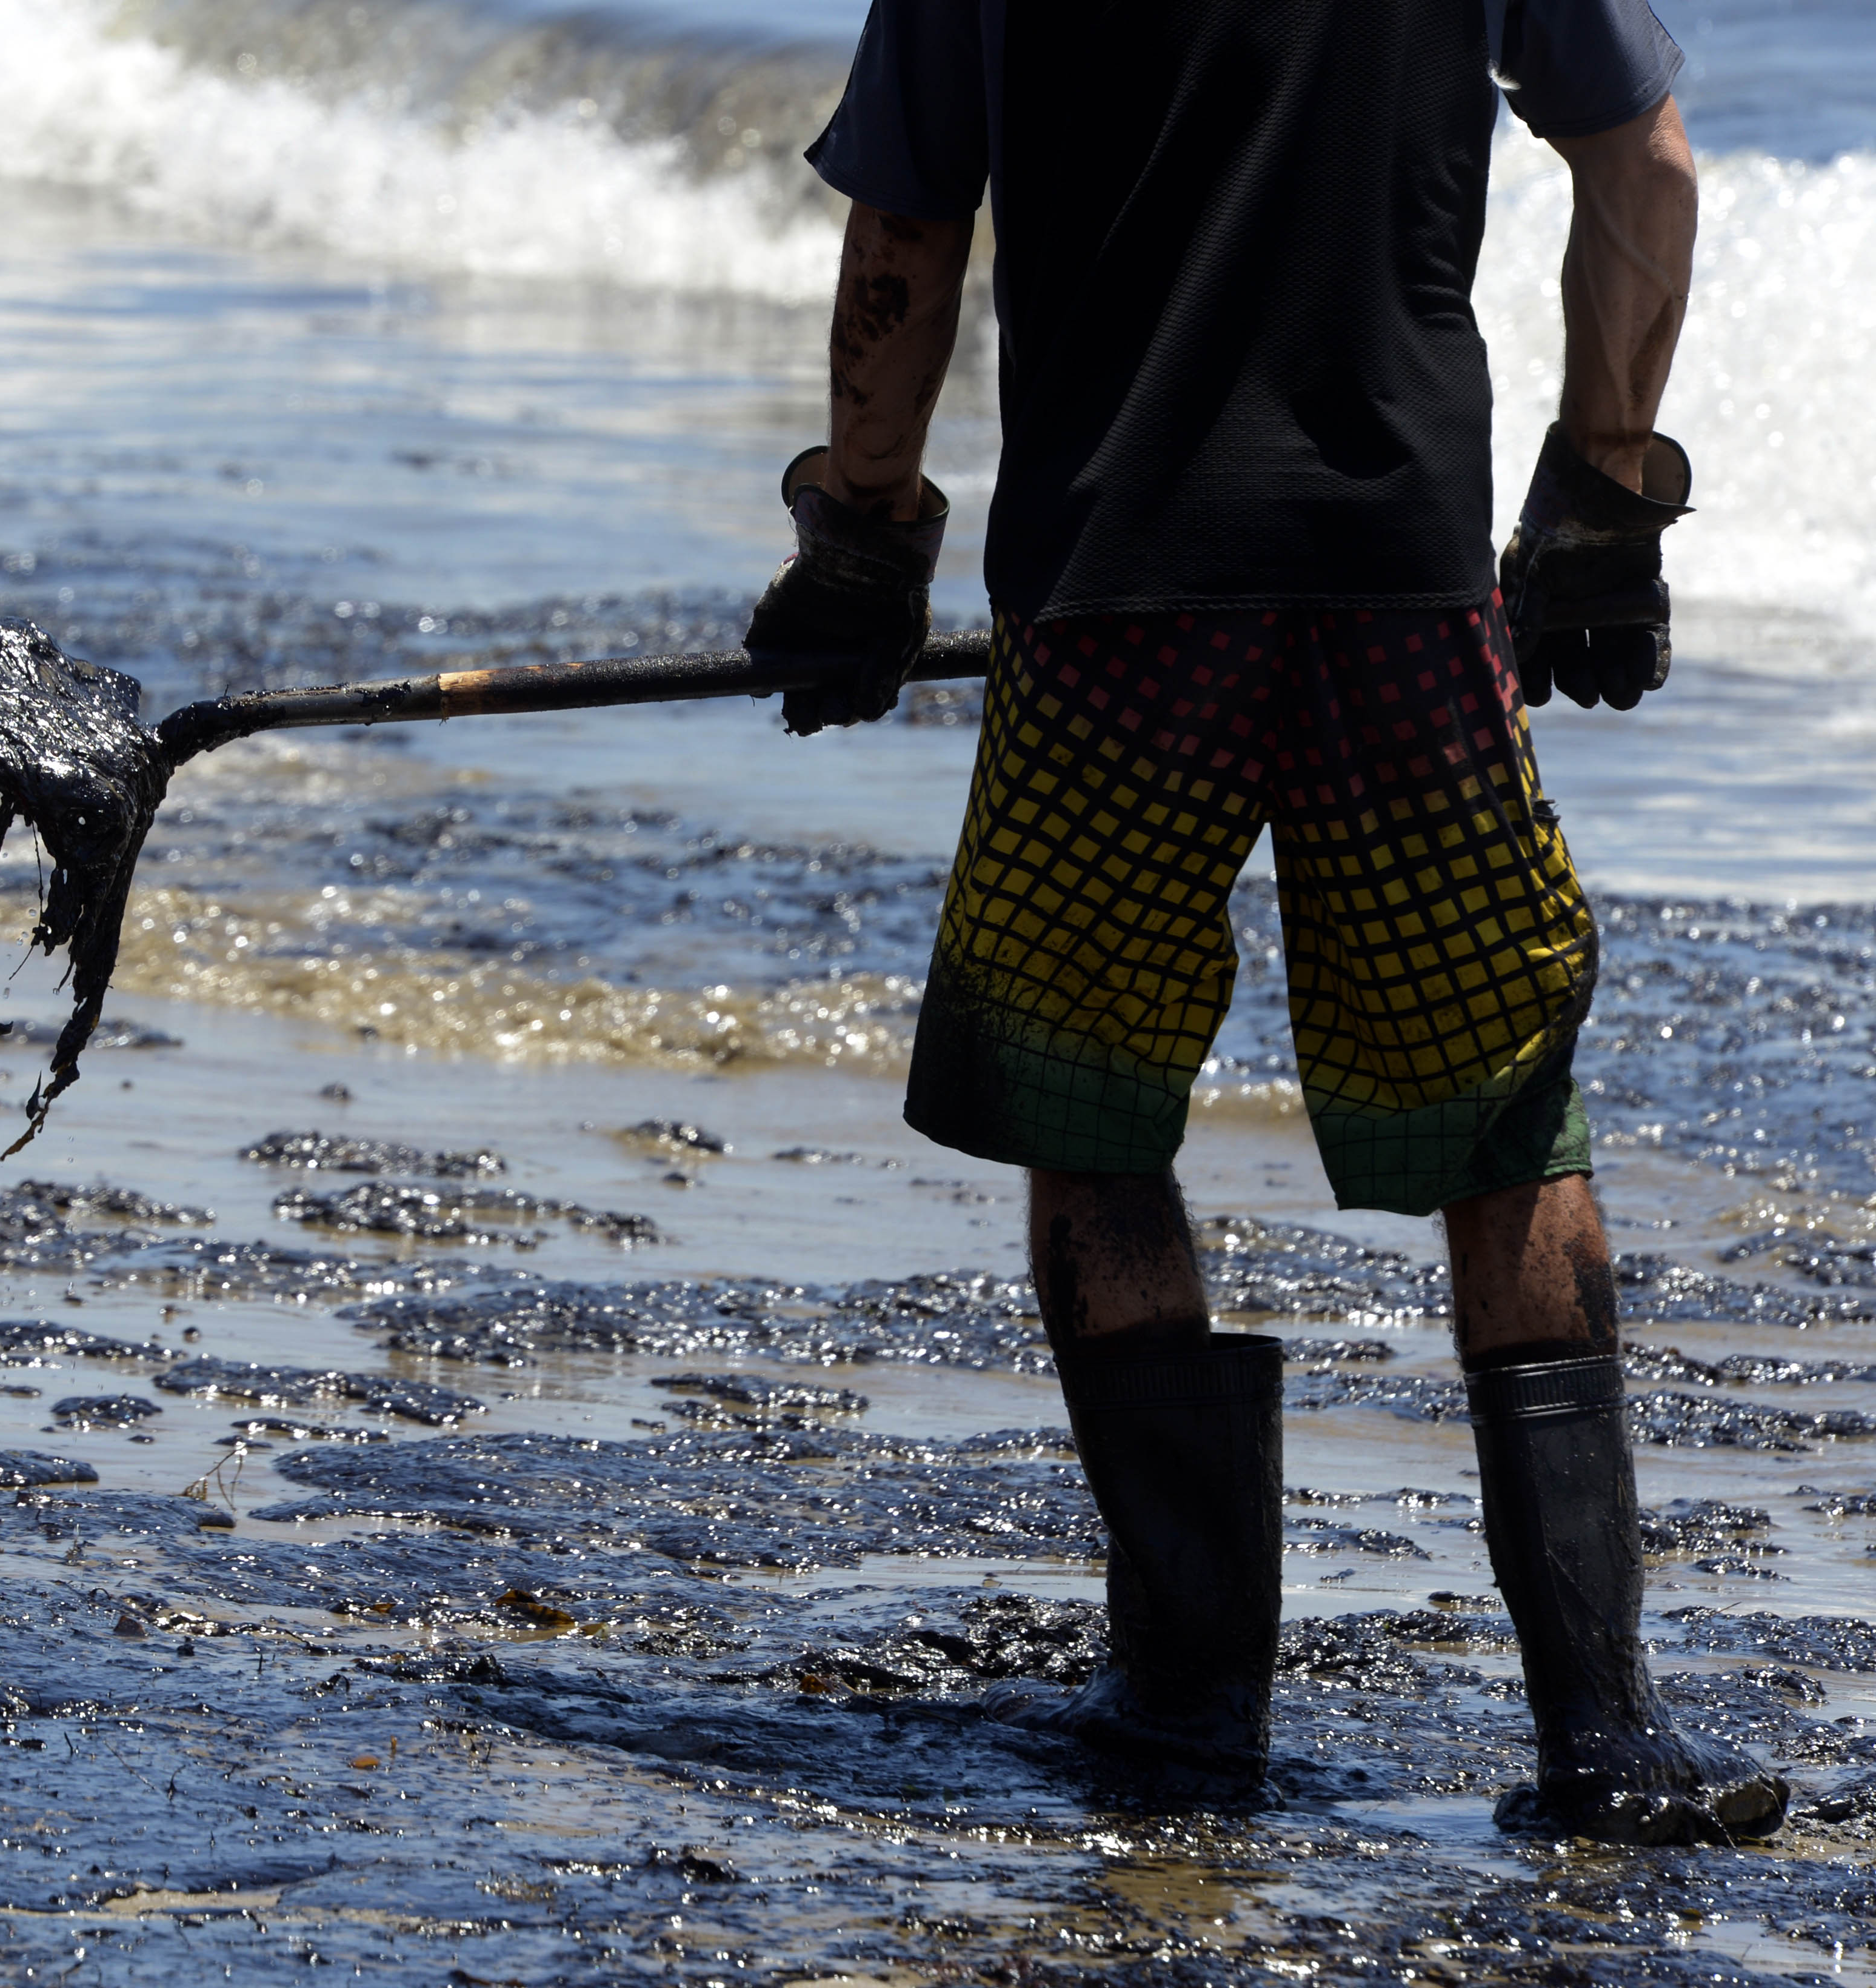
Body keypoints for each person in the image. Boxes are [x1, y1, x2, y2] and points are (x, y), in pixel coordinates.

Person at [749, 0, 1785, 1844]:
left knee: (1091, 1119)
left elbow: (910, 235)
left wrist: (864, 535)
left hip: (1113, 590)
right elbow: (1645, 159)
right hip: (1398, 591)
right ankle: (1603, 1742)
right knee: (1505, 1120)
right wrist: (1609, 493)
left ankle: (1186, 1710)